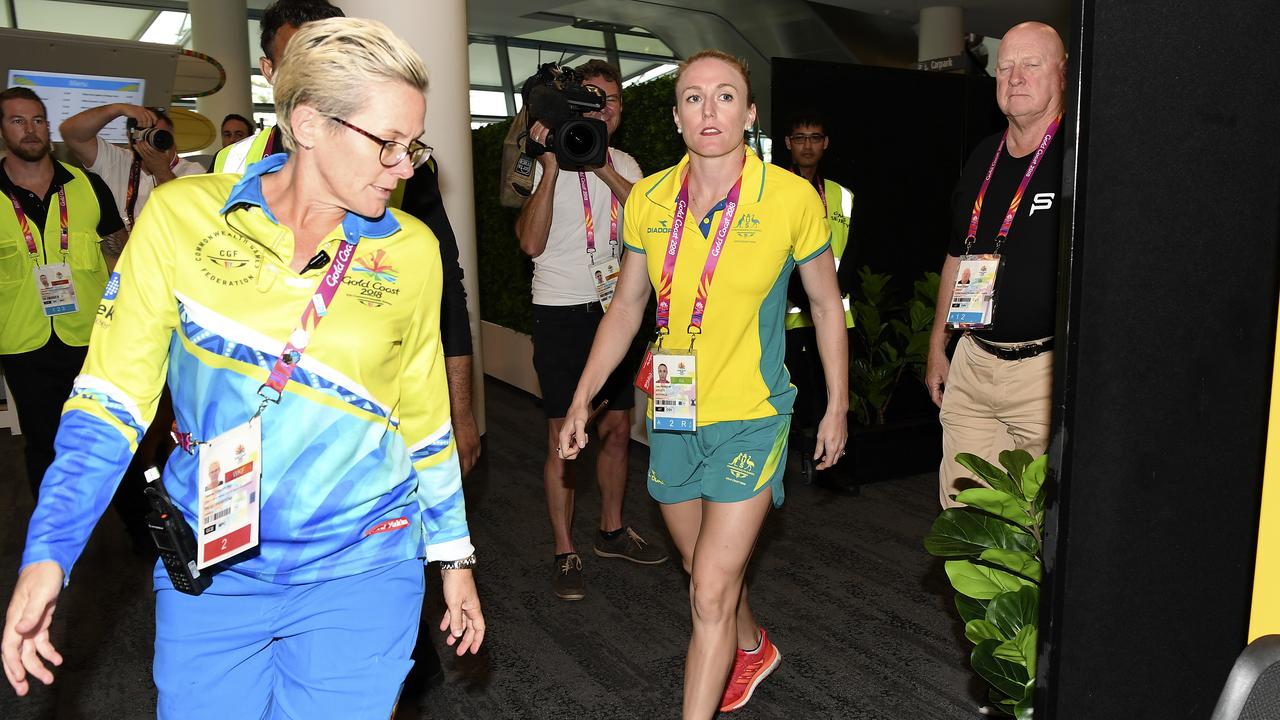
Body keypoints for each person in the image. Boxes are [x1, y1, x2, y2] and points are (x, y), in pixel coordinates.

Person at [1, 19, 484, 718]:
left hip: (364, 564)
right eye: (388, 144)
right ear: (309, 123)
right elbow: (110, 399)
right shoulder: (180, 219)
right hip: (213, 565)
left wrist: (454, 558)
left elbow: (424, 417)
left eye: (414, 146)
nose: (405, 167)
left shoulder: (410, 250)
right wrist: (51, 548)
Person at [558, 50, 848, 718]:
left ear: (748, 114)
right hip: (674, 416)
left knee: (710, 593)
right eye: (693, 97)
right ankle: (753, 645)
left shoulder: (790, 198)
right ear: (675, 114)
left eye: (725, 97)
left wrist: (836, 405)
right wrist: (581, 398)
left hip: (753, 414)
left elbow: (827, 305)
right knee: (702, 572)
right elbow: (628, 307)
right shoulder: (651, 198)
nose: (708, 110)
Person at [216, 0, 481, 476]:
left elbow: (448, 295)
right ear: (270, 71)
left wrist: (460, 414)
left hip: (370, 412)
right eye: (304, 57)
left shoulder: (407, 167)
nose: (322, 74)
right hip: (250, 423)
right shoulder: (229, 168)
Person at [515, 58, 667, 602]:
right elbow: (529, 245)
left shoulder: (627, 163)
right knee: (564, 438)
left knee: (618, 429)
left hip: (616, 312)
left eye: (613, 100)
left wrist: (599, 163)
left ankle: (609, 530)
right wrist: (554, 168)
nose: (603, 108)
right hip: (560, 309)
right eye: (592, 99)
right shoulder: (543, 159)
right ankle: (563, 549)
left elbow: (654, 222)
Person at [926, 21, 1066, 509]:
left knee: (1030, 522)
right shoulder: (983, 155)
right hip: (972, 362)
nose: (1016, 76)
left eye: (1032, 64)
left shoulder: (1080, 155)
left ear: (1062, 74)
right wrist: (938, 346)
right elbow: (956, 255)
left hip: (1044, 373)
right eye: (1005, 67)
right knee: (964, 514)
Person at [0, 87, 127, 499]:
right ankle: (54, 537)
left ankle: (137, 534)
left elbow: (119, 248)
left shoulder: (87, 185)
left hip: (90, 338)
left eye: (38, 120)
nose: (30, 130)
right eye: (17, 120)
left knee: (109, 434)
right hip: (23, 343)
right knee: (42, 445)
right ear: (1, 129)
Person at [782, 110, 856, 489]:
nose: (807, 144)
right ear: (788, 144)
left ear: (825, 144)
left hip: (834, 318)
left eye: (815, 137)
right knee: (790, 402)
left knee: (832, 396)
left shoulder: (843, 196)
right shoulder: (777, 192)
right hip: (787, 319)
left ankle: (833, 462)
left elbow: (853, 256)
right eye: (800, 137)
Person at [59, 104, 205, 231]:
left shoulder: (194, 172)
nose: (156, 141)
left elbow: (191, 217)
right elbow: (71, 133)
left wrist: (161, 171)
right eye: (148, 134)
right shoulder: (117, 160)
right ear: (131, 137)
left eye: (162, 135)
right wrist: (117, 109)